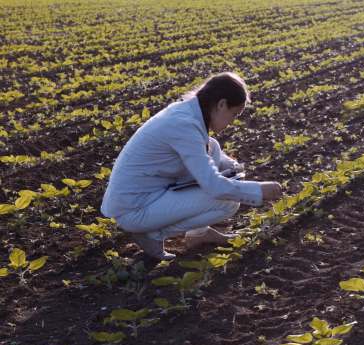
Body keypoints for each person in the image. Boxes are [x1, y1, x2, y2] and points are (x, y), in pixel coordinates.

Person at [100, 72, 282, 260]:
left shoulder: (185, 113)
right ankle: (152, 234)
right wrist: (259, 190)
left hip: (145, 195)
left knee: (212, 148)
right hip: (134, 209)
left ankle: (199, 233)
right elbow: (214, 187)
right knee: (228, 202)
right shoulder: (184, 126)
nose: (232, 122)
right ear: (221, 104)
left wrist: (235, 168)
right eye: (234, 114)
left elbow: (210, 159)